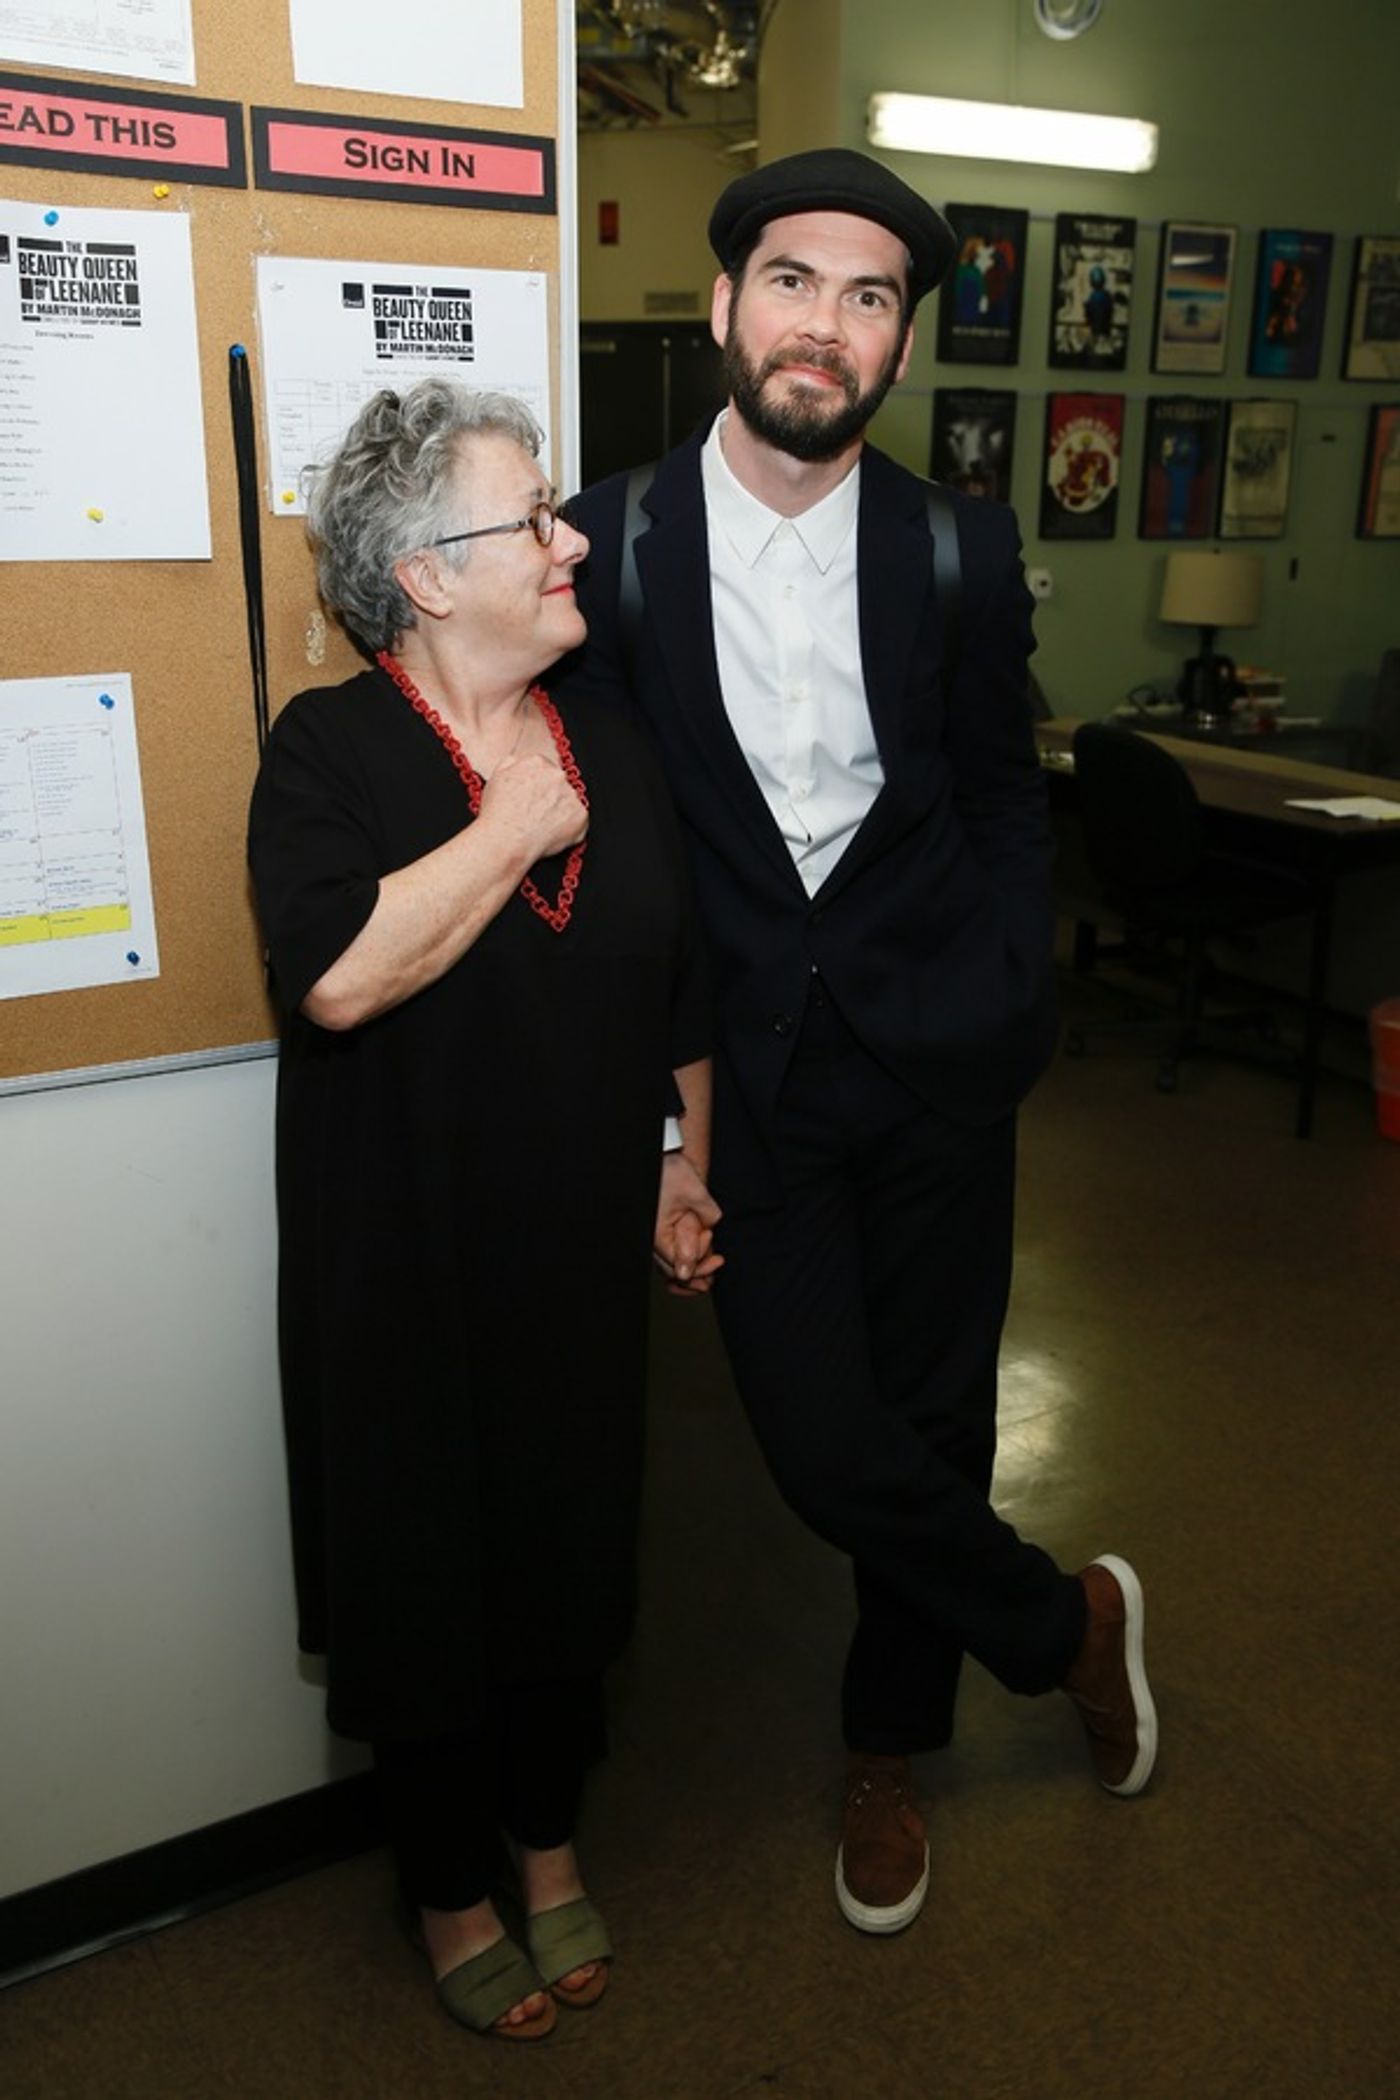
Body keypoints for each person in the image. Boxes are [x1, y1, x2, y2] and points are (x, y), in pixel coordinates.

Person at [554, 148, 1157, 1937]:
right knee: (822, 1444)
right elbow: (606, 843)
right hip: (741, 1079)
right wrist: (660, 1128)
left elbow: (995, 791)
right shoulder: (617, 546)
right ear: (728, 304)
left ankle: (888, 1748)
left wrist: (1013, 995)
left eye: (872, 297)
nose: (828, 326)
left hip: (941, 1063)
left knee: (935, 1421)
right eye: (797, 282)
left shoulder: (963, 546)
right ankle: (1068, 1625)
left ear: (898, 349)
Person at [247, 381, 718, 2040]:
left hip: (579, 1258)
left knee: (569, 1563)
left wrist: (681, 1154)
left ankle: (547, 1840)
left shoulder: (617, 734)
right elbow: (338, 980)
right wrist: (509, 823)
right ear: (428, 577)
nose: (567, 539)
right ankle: (446, 1887)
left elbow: (677, 986)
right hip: (406, 1269)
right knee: (426, 1580)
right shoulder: (330, 751)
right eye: (528, 519)